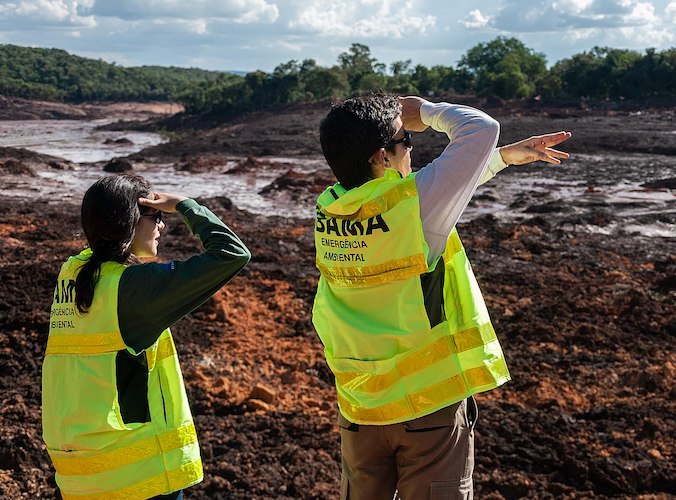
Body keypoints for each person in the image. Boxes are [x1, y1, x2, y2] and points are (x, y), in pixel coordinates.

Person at [313, 94, 570, 499]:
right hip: (426, 410)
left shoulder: (330, 210)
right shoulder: (411, 210)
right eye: (406, 143)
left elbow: (430, 197)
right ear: (382, 157)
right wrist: (425, 111)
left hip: (359, 409)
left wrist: (501, 159)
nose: (411, 151)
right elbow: (480, 129)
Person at [42, 174, 251, 499]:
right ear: (130, 223)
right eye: (156, 217)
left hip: (82, 473)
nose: (161, 227)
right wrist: (183, 205)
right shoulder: (134, 289)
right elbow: (233, 253)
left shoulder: (72, 273)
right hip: (137, 480)